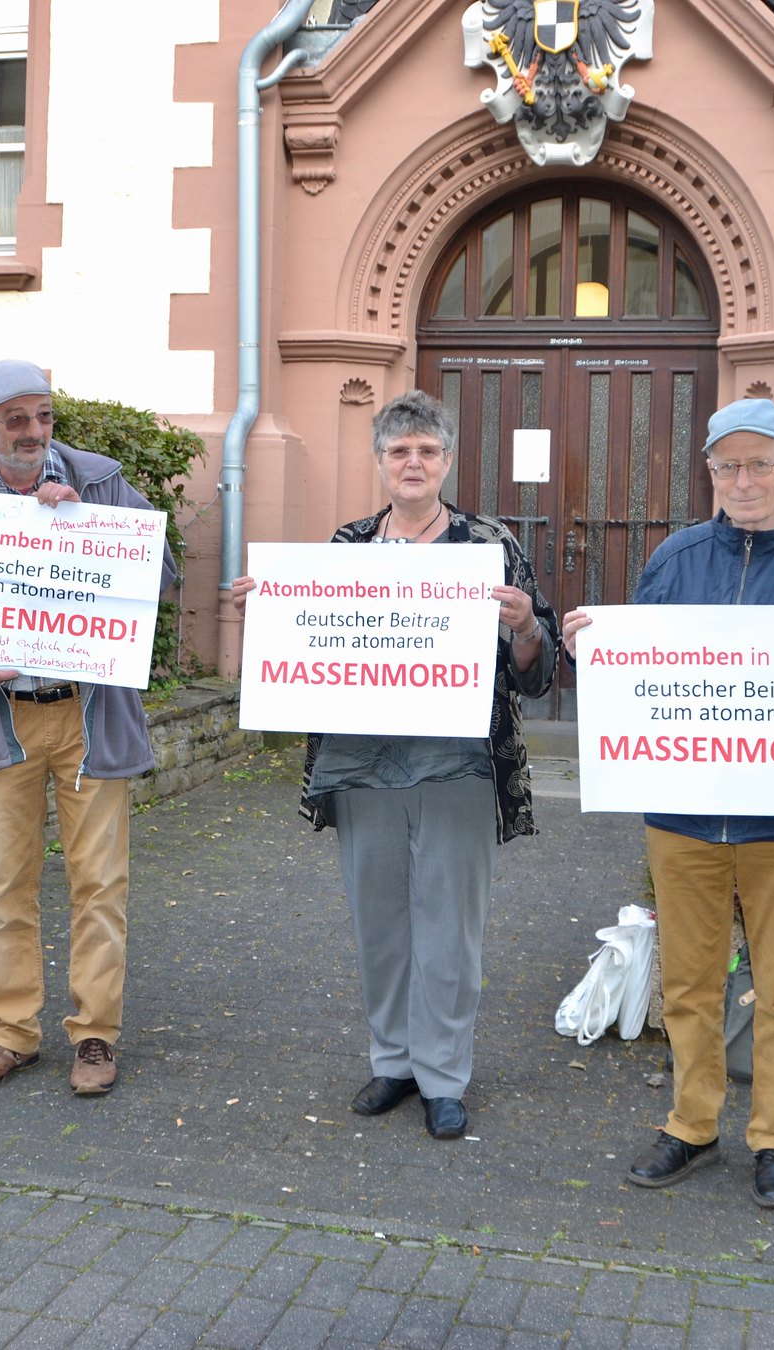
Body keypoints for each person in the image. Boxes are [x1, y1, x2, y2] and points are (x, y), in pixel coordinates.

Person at [561, 396, 774, 1209]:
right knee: (687, 983)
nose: (743, 480)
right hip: (684, 813)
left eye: (758, 463)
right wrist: (592, 653)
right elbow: (642, 685)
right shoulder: (676, 558)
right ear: (708, 470)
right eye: (726, 465)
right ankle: (692, 1124)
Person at [229, 390, 559, 1140]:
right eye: (399, 451)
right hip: (362, 768)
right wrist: (274, 614)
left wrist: (527, 627)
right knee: (380, 925)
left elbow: (539, 673)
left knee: (451, 929)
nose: (413, 463)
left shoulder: (489, 544)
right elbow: (314, 641)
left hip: (458, 769)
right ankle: (395, 1063)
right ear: (380, 462)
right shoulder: (346, 547)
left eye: (428, 451)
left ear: (446, 461)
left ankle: (444, 1076)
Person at [0, 359, 175, 1097]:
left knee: (100, 884)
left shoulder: (102, 483)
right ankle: (10, 1034)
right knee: (5, 886)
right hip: (3, 722)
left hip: (88, 717)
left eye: (44, 417)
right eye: (15, 418)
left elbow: (160, 574)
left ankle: (95, 1036)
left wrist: (87, 524)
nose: (32, 432)